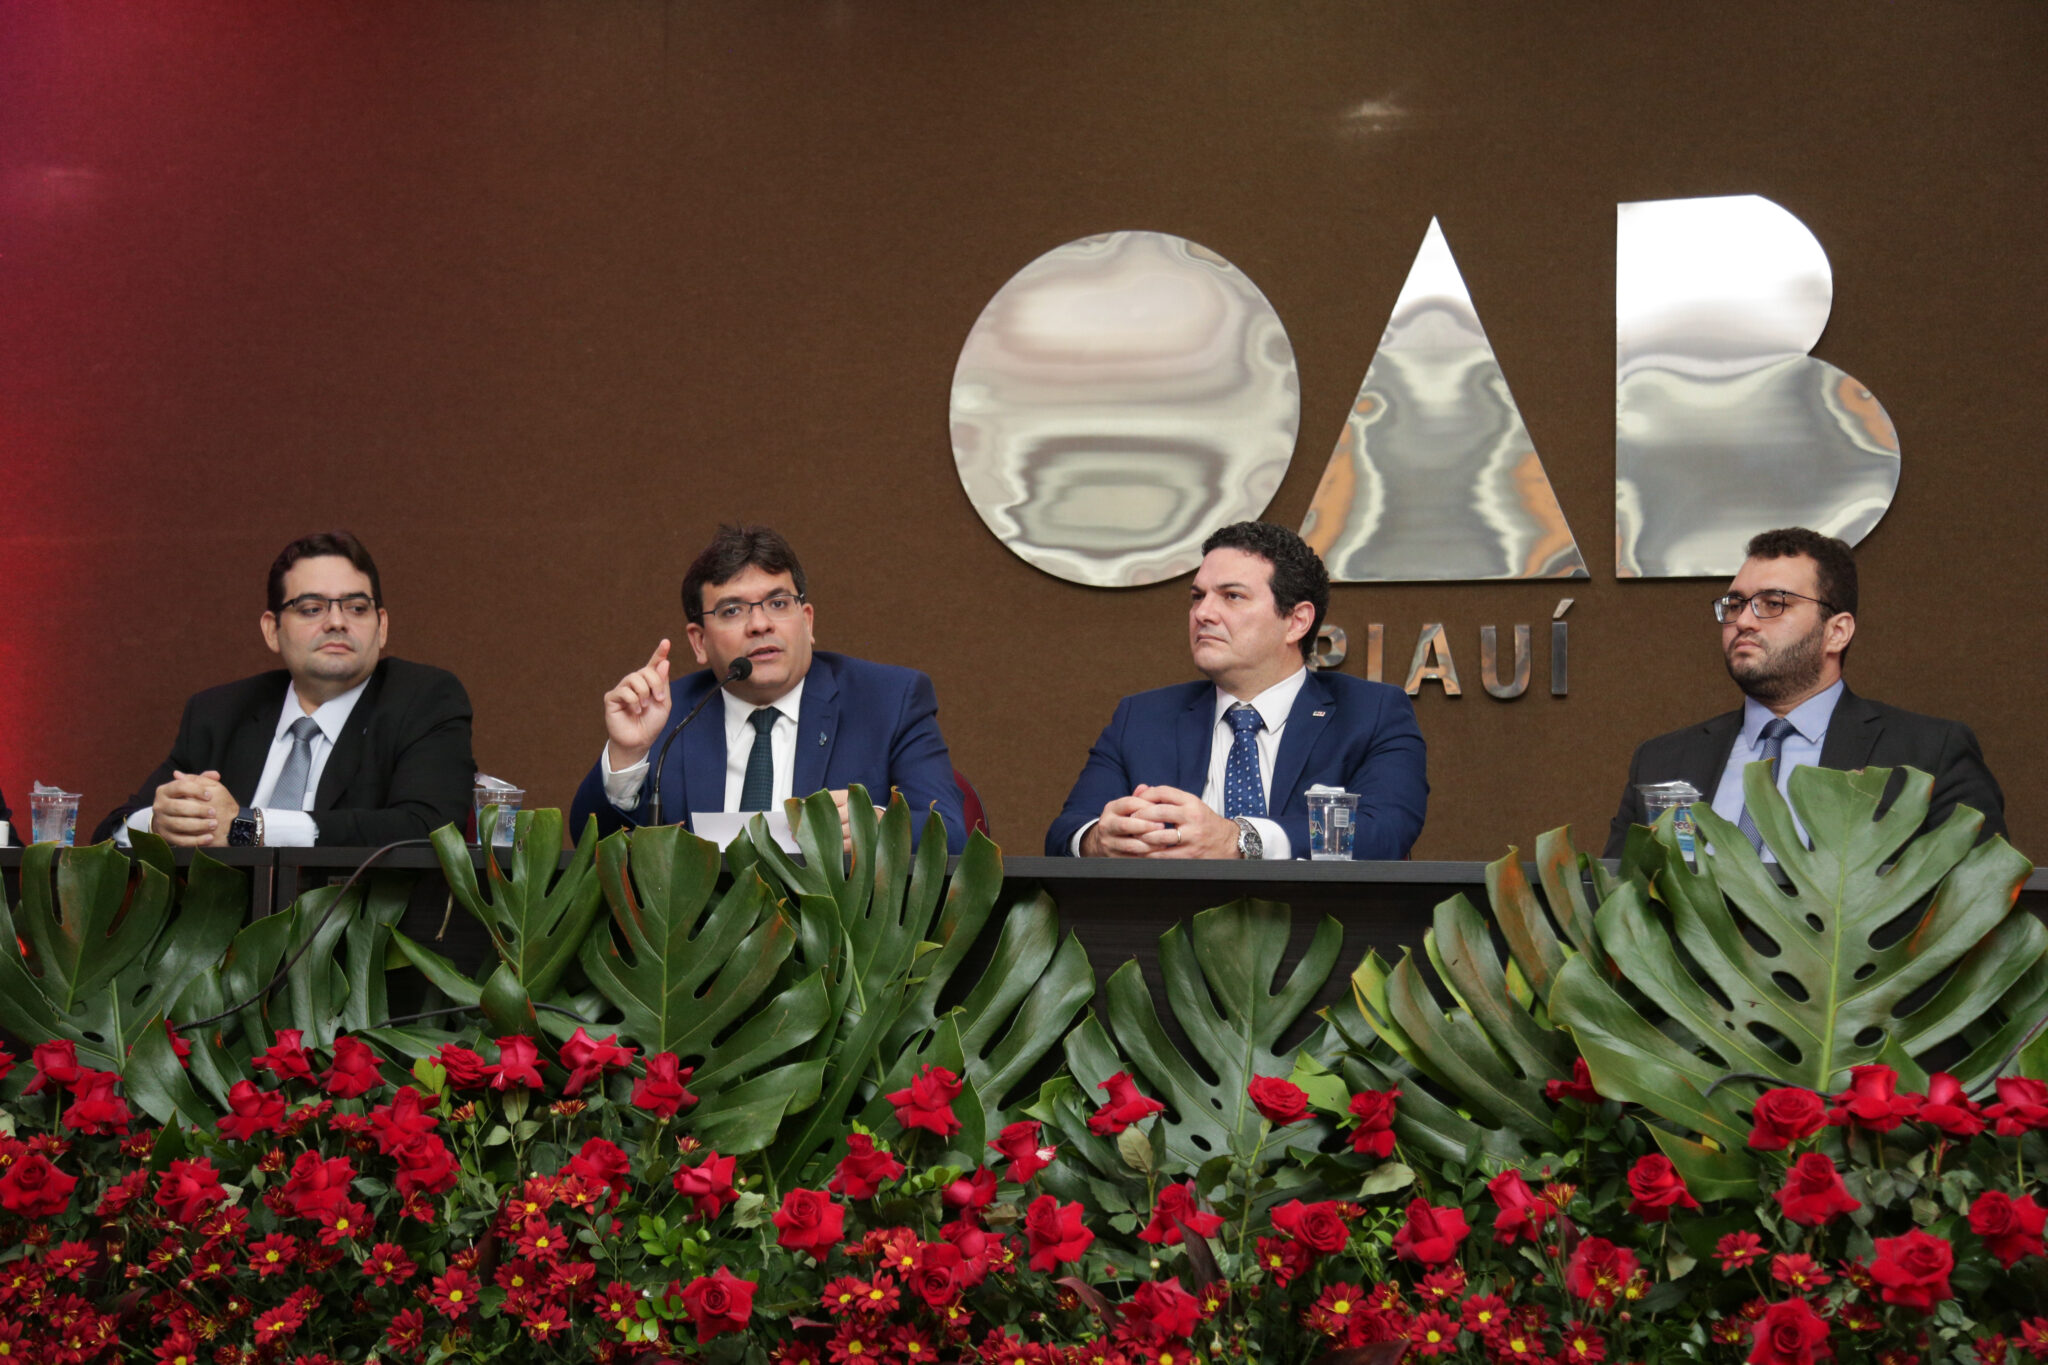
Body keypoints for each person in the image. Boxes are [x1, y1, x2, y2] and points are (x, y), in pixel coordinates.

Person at [1604, 526, 2005, 858]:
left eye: (1773, 603)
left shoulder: (1929, 754)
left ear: (1837, 632)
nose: (1744, 620)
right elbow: (1620, 911)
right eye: (1735, 603)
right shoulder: (1662, 761)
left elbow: (1978, 906)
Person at [569, 524, 969, 853]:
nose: (760, 625)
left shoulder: (889, 700)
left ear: (807, 622)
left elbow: (950, 833)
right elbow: (593, 846)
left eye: (778, 603)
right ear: (698, 642)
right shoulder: (668, 715)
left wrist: (880, 828)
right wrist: (627, 756)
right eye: (732, 610)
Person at [1045, 521, 1427, 861]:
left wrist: (1239, 840)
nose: (1203, 613)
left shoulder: (1371, 713)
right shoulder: (1141, 718)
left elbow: (1385, 831)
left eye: (1232, 596)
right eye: (1198, 596)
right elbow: (1066, 833)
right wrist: (1099, 840)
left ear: (1296, 622)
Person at [91, 532, 475, 847]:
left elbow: (429, 829)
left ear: (382, 626)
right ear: (272, 630)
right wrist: (160, 824)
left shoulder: (423, 700)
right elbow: (109, 833)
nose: (337, 622)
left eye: (357, 608)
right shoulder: (219, 712)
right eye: (311, 608)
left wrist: (249, 828)